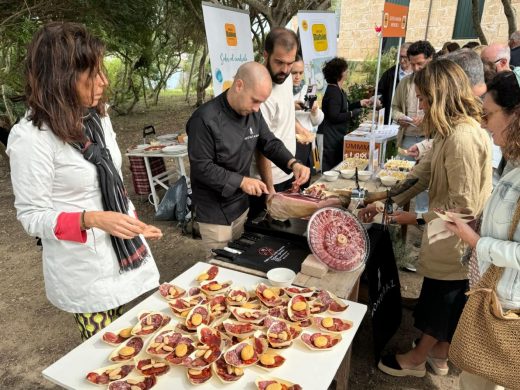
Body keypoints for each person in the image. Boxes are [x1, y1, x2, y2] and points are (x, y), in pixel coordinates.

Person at [6, 22, 163, 341]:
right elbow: (32, 217)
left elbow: (111, 182)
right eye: (92, 73)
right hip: (85, 272)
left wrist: (131, 223)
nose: (104, 81)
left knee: (146, 350)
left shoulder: (96, 117)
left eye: (101, 70)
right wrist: (89, 219)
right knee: (109, 362)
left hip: (129, 257)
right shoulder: (30, 139)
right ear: (60, 78)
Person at [366, 59, 492, 378]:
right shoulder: (450, 131)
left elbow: (462, 208)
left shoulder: (462, 138)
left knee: (442, 299)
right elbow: (422, 175)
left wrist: (409, 217)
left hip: (456, 240)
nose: (419, 104)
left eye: (423, 98)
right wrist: (385, 199)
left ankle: (417, 360)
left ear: (439, 96)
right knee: (441, 295)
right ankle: (440, 353)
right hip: (446, 235)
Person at [446, 69, 520, 390]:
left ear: (515, 115)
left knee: (477, 382)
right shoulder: (513, 163)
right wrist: (478, 224)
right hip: (497, 294)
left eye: (489, 115)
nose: (485, 124)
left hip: (507, 305)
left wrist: (476, 241)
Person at [187, 61, 309, 252]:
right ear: (239, 85)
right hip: (215, 212)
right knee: (221, 266)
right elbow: (202, 167)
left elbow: (269, 142)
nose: (256, 108)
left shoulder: (253, 113)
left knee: (240, 256)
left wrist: (293, 163)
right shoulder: (204, 119)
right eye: (254, 100)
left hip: (241, 205)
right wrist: (241, 181)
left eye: (261, 102)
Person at [249, 27, 303, 218]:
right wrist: (270, 190)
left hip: (287, 170)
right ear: (266, 54)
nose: (285, 70)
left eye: (290, 63)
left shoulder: (285, 77)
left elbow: (286, 112)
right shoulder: (260, 91)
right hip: (267, 181)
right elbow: (260, 144)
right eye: (279, 62)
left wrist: (300, 129)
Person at [391, 40, 435, 214]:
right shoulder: (405, 83)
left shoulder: (439, 84)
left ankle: (422, 216)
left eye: (420, 64)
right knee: (403, 177)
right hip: (408, 137)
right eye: (412, 63)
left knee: (424, 181)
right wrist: (400, 117)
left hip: (429, 137)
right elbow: (394, 108)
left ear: (431, 59)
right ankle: (397, 212)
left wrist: (426, 119)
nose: (416, 68)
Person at [318, 57, 371, 172]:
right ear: (339, 73)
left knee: (336, 165)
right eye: (345, 70)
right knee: (330, 168)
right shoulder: (333, 92)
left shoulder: (338, 90)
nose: (347, 72)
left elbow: (343, 108)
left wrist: (359, 104)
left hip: (336, 135)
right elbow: (334, 116)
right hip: (329, 137)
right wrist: (352, 113)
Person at [292, 54, 324, 181]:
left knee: (306, 180)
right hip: (291, 144)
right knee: (293, 183)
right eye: (294, 72)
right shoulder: (279, 91)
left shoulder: (307, 89)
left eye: (301, 72)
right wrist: (291, 107)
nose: (298, 76)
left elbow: (316, 122)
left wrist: (315, 111)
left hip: (309, 143)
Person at [377, 42, 412, 125]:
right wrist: (378, 99)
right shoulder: (390, 74)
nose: (402, 60)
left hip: (411, 119)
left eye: (405, 57)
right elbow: (380, 91)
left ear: (412, 57)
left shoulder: (418, 74)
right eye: (400, 56)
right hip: (392, 118)